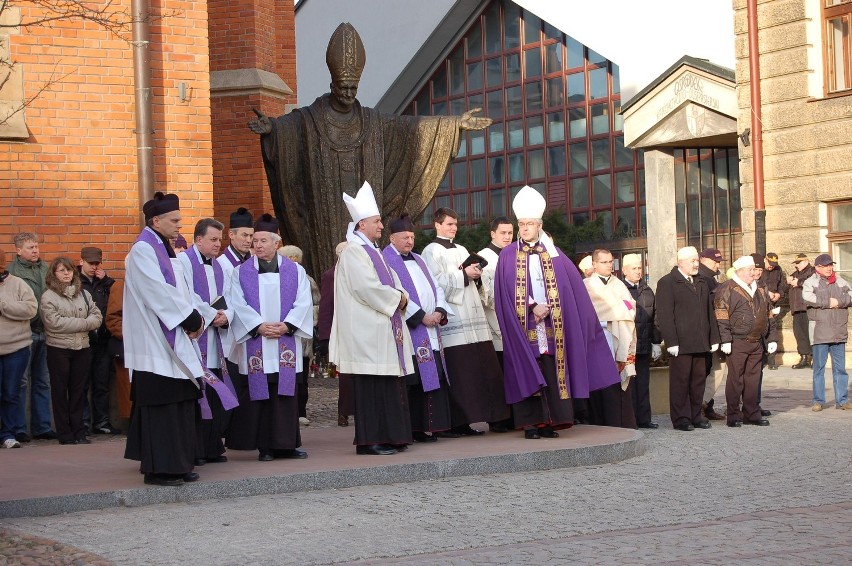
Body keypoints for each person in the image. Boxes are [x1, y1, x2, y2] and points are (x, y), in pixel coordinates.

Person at [248, 23, 491, 279]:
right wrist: (272, 130)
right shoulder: (311, 119)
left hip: (363, 202)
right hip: (325, 207)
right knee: (329, 262)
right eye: (343, 87)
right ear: (333, 84)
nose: (349, 93)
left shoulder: (372, 121)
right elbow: (290, 128)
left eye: (353, 88)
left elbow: (412, 129)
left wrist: (454, 125)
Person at [494, 186, 622, 438]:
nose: (525, 228)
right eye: (522, 224)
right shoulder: (508, 255)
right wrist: (532, 306)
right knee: (529, 369)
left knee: (552, 370)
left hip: (553, 325)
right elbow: (506, 288)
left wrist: (551, 307)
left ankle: (552, 421)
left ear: (540, 225)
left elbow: (569, 290)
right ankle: (531, 424)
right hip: (525, 325)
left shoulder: (555, 255)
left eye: (530, 224)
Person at [123, 192, 206, 487]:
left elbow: (182, 291)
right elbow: (157, 291)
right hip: (156, 340)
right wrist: (189, 317)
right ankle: (160, 469)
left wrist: (197, 315)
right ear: (156, 221)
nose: (179, 225)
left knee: (181, 401)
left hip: (175, 334)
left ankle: (179, 462)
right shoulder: (143, 251)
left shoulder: (165, 249)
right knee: (163, 405)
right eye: (174, 220)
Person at [330, 181, 415, 455]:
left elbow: (393, 280)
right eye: (377, 222)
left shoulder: (373, 250)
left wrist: (401, 295)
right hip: (367, 332)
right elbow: (366, 288)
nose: (381, 226)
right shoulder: (354, 251)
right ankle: (370, 440)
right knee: (371, 389)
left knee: (387, 386)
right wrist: (397, 299)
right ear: (361, 224)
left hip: (382, 330)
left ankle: (392, 436)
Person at [226, 214, 313, 462]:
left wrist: (287, 326)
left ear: (277, 243)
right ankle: (265, 446)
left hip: (285, 339)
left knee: (285, 393)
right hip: (258, 341)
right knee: (261, 393)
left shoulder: (295, 270)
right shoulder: (241, 272)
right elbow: (237, 304)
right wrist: (258, 326)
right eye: (255, 240)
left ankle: (287, 444)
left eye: (263, 240)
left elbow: (304, 303)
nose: (258, 245)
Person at [422, 207, 510, 437]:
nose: (453, 228)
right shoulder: (431, 251)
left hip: (475, 321)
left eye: (455, 224)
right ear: (437, 225)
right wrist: (463, 275)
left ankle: (475, 419)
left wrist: (477, 276)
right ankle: (456, 423)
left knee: (480, 372)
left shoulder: (462, 249)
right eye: (449, 224)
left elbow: (475, 281)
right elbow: (434, 283)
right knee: (460, 375)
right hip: (454, 324)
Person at [383, 213, 453, 443]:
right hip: (409, 330)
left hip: (431, 328)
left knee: (436, 377)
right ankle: (415, 428)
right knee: (414, 382)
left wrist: (440, 311)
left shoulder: (419, 259)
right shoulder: (386, 260)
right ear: (392, 238)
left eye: (412, 237)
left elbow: (436, 287)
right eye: (404, 237)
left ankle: (434, 425)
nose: (409, 241)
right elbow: (394, 293)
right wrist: (422, 316)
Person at [178, 218, 236, 466]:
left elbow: (232, 297)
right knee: (199, 393)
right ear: (198, 239)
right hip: (196, 337)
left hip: (217, 340)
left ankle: (213, 447)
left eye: (219, 240)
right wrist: (212, 315)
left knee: (214, 393)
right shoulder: (183, 262)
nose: (217, 244)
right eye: (213, 239)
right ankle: (197, 449)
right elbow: (187, 296)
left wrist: (227, 315)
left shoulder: (222, 266)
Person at [655, 246, 720, 431]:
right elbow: (665, 314)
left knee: (698, 380)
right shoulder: (667, 282)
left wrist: (713, 337)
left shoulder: (701, 281)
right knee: (680, 382)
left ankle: (695, 415)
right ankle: (681, 418)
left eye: (696, 260)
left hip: (700, 341)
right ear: (680, 262)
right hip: (681, 343)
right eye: (692, 261)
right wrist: (671, 341)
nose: (695, 264)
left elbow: (709, 311)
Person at [40, 257, 103, 445]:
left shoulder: (83, 294)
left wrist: (82, 324)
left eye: (68, 270)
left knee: (78, 391)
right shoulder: (48, 296)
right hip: (58, 348)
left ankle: (79, 431)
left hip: (82, 348)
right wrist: (84, 324)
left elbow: (97, 316)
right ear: (54, 274)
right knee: (60, 391)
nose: (66, 274)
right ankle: (64, 433)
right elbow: (54, 323)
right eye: (61, 270)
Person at [714, 255, 777, 427]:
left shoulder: (760, 289)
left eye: (755, 269)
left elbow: (770, 314)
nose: (754, 273)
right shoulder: (727, 288)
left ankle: (752, 413)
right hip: (737, 341)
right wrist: (725, 340)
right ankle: (733, 415)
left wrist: (772, 337)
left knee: (753, 379)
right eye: (750, 270)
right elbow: (721, 315)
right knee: (736, 379)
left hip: (756, 341)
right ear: (740, 271)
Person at [6, 232, 55, 442]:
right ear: (18, 251)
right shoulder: (11, 272)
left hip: (46, 332)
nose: (35, 250)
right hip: (24, 334)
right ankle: (18, 428)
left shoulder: (46, 269)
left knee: (43, 382)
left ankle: (43, 426)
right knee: (20, 383)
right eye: (30, 247)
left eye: (36, 246)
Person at [582, 249, 637, 429]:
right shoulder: (586, 285)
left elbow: (629, 307)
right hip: (597, 336)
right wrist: (614, 310)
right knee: (601, 380)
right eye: (604, 262)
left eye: (610, 262)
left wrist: (615, 311)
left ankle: (622, 421)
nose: (609, 265)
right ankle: (600, 423)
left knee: (619, 381)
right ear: (594, 264)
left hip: (619, 334)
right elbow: (586, 311)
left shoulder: (619, 284)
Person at [77, 246, 120, 435]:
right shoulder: (76, 282)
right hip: (84, 339)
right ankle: (84, 422)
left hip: (103, 339)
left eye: (97, 263)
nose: (94, 267)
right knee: (83, 382)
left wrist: (107, 281)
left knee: (101, 383)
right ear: (82, 262)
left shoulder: (105, 283)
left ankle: (101, 422)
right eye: (91, 263)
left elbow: (117, 297)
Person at [478, 216, 515, 432]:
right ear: (492, 234)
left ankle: (514, 415)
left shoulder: (515, 254)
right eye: (503, 233)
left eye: (510, 233)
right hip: (496, 322)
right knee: (498, 372)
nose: (507, 237)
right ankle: (498, 418)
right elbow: (486, 295)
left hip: (516, 323)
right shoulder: (485, 257)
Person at [802, 253, 852, 411]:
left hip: (838, 331)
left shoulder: (841, 281)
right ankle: (818, 401)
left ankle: (842, 401)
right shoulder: (810, 282)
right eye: (825, 266)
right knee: (819, 369)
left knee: (840, 370)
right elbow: (807, 298)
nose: (829, 268)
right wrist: (828, 303)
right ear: (817, 268)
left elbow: (851, 296)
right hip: (819, 333)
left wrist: (839, 301)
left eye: (831, 265)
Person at [278, 244, 320, 426]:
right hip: (283, 333)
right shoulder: (278, 277)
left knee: (301, 376)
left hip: (302, 335)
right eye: (290, 257)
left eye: (296, 257)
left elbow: (316, 303)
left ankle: (301, 409)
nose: (293, 260)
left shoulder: (307, 279)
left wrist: (308, 321)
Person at [0, 249, 38, 449]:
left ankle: (8, 433)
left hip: (16, 348)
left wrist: (4, 306)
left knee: (11, 393)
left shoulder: (17, 283)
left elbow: (31, 309)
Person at [621, 253, 662, 429]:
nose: (638, 272)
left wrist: (656, 342)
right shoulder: (620, 289)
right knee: (629, 384)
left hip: (644, 344)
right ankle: (630, 419)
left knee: (643, 384)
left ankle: (644, 418)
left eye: (639, 268)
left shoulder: (647, 290)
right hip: (627, 345)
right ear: (624, 270)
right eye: (634, 268)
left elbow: (655, 318)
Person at [316, 241, 351, 427]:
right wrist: (324, 336)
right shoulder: (331, 275)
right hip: (341, 331)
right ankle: (343, 412)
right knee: (346, 375)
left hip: (360, 330)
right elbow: (326, 306)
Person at [696, 248, 726, 421]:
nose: (717, 264)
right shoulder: (703, 279)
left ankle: (707, 406)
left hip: (714, 332)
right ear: (702, 259)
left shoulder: (712, 278)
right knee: (711, 371)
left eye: (719, 261)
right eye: (714, 261)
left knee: (713, 370)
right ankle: (701, 405)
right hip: (708, 332)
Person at [104, 280, 132, 423]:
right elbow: (113, 318)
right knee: (127, 387)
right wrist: (129, 336)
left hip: (148, 346)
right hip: (127, 346)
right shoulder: (120, 286)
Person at [787, 253, 815, 369]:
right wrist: (787, 281)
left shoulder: (812, 272)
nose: (796, 265)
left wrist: (798, 283)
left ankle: (815, 358)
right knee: (800, 335)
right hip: (797, 309)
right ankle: (804, 358)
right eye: (796, 263)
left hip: (808, 308)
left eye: (798, 263)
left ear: (806, 262)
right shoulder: (795, 273)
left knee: (812, 334)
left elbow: (813, 285)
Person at [760, 252, 787, 369]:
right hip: (760, 304)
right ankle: (761, 360)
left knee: (772, 331)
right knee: (761, 330)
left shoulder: (778, 269)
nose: (771, 266)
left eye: (773, 265)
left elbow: (782, 284)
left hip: (773, 304)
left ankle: (771, 362)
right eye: (770, 264)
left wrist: (779, 294)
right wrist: (767, 293)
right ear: (765, 260)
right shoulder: (759, 269)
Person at [218, 208, 254, 272]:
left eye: (251, 235)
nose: (249, 240)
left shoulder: (256, 261)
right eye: (244, 235)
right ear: (231, 234)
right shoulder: (220, 264)